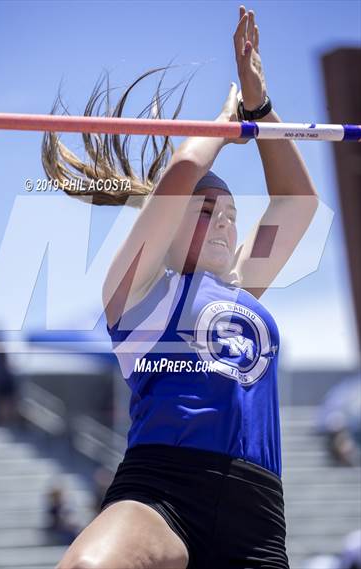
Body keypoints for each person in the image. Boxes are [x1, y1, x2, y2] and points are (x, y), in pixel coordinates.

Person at [44, 6, 319, 569]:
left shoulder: (241, 282)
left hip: (257, 510)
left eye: (232, 213)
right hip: (162, 492)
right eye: (207, 210)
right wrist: (225, 121)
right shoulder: (139, 292)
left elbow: (297, 202)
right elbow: (182, 172)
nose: (224, 220)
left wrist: (261, 106)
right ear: (167, 226)